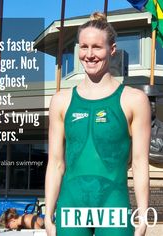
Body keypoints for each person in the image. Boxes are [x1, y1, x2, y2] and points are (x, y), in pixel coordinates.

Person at [45, 12, 151, 236]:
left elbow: (140, 162)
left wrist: (142, 216)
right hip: (71, 203)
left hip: (113, 201)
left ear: (112, 49)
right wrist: (48, 214)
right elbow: (55, 162)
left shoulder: (134, 100)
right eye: (84, 47)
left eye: (97, 47)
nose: (89, 54)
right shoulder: (61, 101)